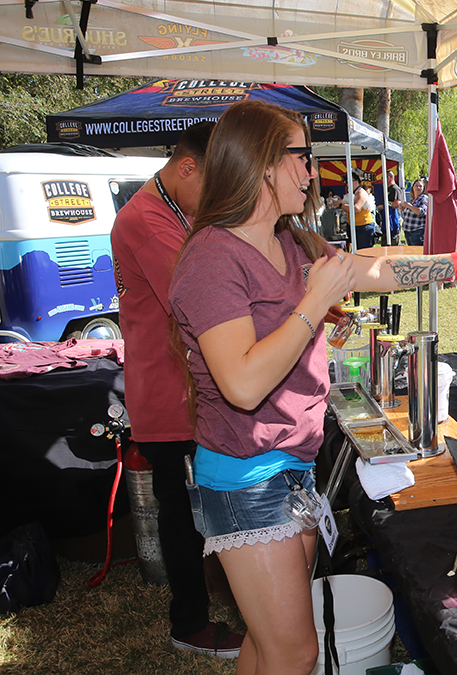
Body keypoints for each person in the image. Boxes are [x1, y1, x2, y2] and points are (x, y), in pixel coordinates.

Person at [167, 100, 457, 675]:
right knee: (295, 652)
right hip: (248, 476)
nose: (313, 172)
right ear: (263, 165)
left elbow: (379, 270)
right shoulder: (212, 260)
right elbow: (244, 384)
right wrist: (313, 301)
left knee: (268, 638)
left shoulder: (293, 242)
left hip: (290, 466)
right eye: (303, 157)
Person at [111, 121, 244, 659]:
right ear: (187, 167)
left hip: (189, 388)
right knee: (182, 514)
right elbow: (199, 297)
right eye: (212, 184)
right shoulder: (145, 219)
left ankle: (215, 603)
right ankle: (189, 624)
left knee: (199, 507)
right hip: (168, 395)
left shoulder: (176, 207)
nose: (215, 200)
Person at [341, 168, 376, 250]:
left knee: (363, 253)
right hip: (354, 226)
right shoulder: (353, 193)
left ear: (356, 181)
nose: (347, 184)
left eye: (349, 181)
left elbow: (356, 208)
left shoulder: (361, 193)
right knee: (356, 252)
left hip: (363, 227)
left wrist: (340, 205)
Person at [398, 178, 428, 246]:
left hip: (418, 232)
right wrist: (402, 209)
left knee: (418, 255)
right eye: (416, 185)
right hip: (408, 232)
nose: (418, 187)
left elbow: (421, 212)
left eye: (420, 186)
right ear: (413, 187)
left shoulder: (424, 198)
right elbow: (410, 214)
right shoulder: (412, 200)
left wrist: (409, 206)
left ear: (423, 188)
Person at [386, 170, 403, 244]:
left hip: (394, 219)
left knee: (394, 244)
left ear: (389, 178)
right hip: (387, 219)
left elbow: (397, 203)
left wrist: (385, 205)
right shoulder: (387, 188)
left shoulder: (395, 189)